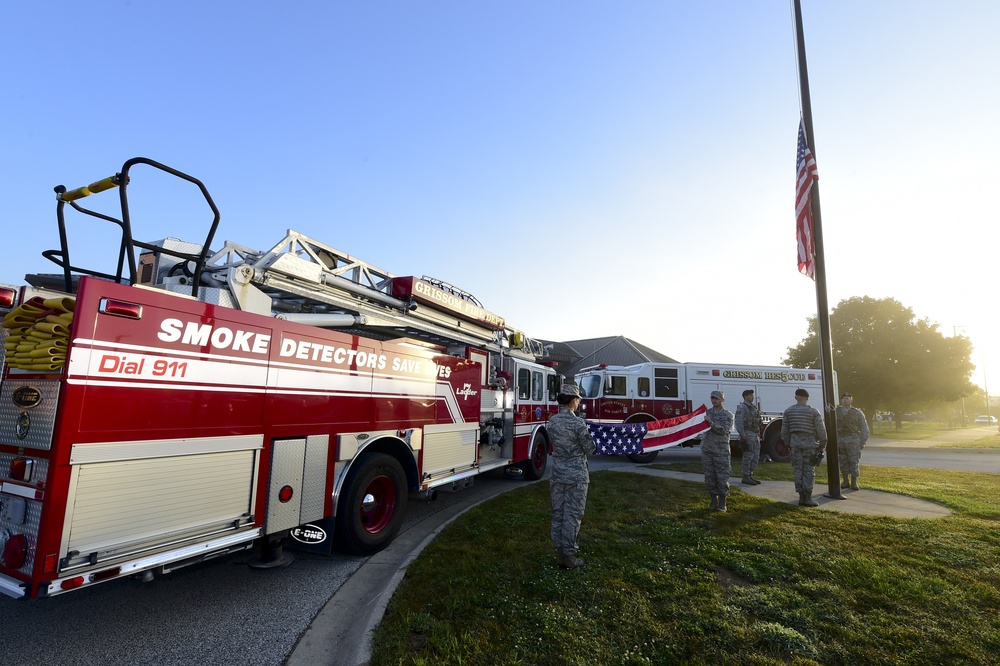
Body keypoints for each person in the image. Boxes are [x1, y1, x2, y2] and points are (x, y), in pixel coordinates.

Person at [548, 383, 596, 569]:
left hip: (558, 474)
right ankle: (569, 556)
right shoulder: (578, 423)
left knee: (558, 513)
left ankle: (560, 553)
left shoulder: (552, 422)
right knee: (572, 515)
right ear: (574, 400)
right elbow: (589, 449)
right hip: (576, 477)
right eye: (577, 400)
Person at [780, 388, 828, 507]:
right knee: (808, 470)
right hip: (809, 445)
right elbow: (821, 430)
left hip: (795, 444)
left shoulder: (788, 411)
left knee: (798, 470)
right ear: (807, 398)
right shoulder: (813, 411)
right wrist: (822, 445)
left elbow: (784, 431)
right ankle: (808, 498)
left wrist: (788, 443)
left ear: (796, 397)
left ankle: (801, 497)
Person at [702, 390, 735, 512]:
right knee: (710, 476)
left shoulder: (728, 415)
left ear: (722, 400)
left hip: (721, 451)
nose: (714, 400)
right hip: (707, 449)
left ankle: (722, 501)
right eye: (712, 398)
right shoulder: (707, 413)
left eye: (716, 398)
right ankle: (713, 500)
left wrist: (711, 423)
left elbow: (724, 430)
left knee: (722, 477)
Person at [836, 392, 870, 490]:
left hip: (853, 439)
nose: (845, 400)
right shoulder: (836, 412)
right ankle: (845, 481)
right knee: (843, 461)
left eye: (847, 398)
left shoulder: (857, 412)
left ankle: (854, 482)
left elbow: (864, 427)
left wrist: (863, 441)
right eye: (843, 398)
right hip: (840, 439)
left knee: (854, 461)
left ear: (851, 400)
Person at [734, 389, 763, 485]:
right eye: (750, 395)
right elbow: (738, 422)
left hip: (755, 434)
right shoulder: (742, 407)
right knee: (748, 456)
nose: (752, 397)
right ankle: (745, 476)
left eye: (752, 395)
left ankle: (750, 474)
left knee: (755, 456)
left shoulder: (753, 407)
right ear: (745, 396)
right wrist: (743, 435)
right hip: (747, 434)